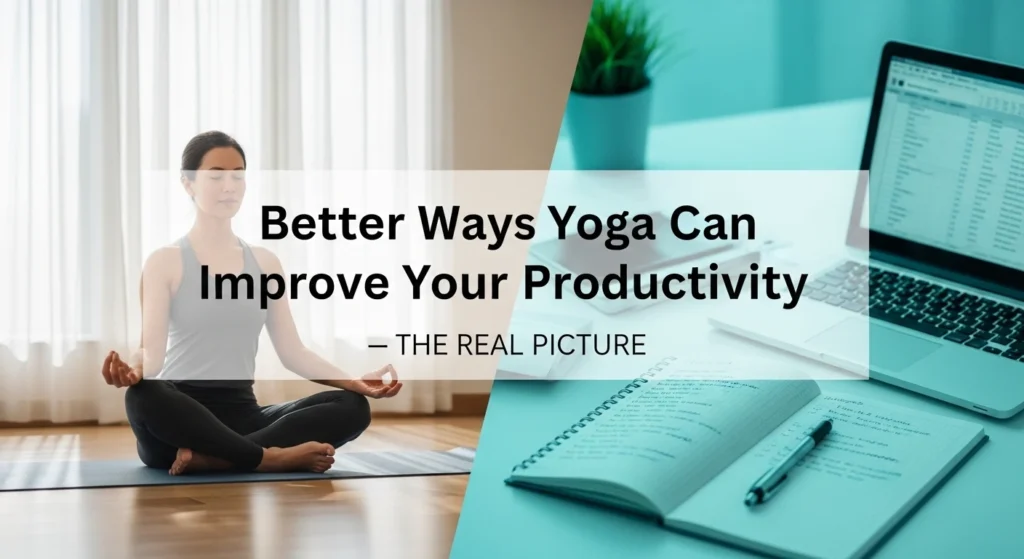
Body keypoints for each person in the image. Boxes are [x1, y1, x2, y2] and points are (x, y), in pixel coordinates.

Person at [101, 130, 403, 476]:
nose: (229, 186)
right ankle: (270, 458)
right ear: (188, 183)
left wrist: (353, 382)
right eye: (216, 176)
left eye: (238, 176)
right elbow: (150, 354)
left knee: (351, 406)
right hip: (181, 419)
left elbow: (293, 352)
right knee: (143, 395)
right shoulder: (165, 261)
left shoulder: (265, 263)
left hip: (244, 416)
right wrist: (134, 371)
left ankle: (220, 459)